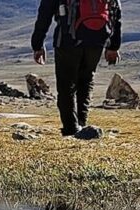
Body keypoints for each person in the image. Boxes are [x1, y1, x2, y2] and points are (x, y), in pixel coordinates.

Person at [30, 0, 123, 137]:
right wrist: (113, 46)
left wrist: (37, 45)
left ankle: (71, 129)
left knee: (66, 85)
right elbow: (115, 12)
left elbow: (45, 13)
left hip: (68, 40)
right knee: (86, 80)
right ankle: (82, 124)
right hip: (97, 39)